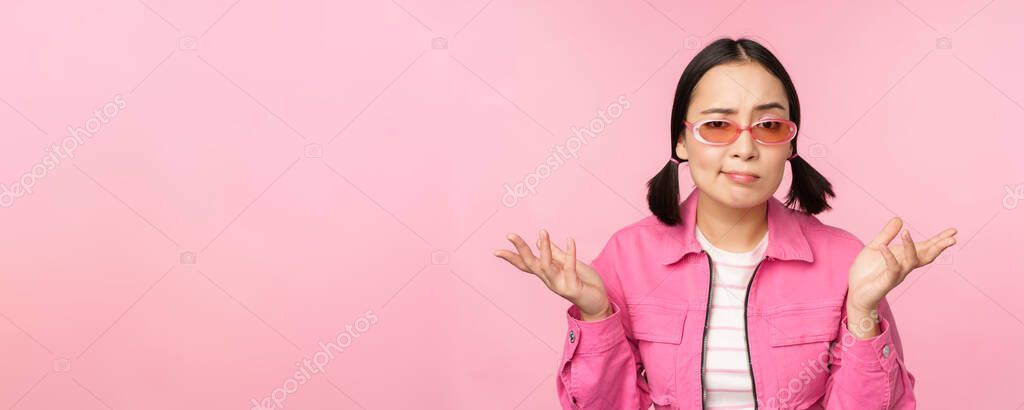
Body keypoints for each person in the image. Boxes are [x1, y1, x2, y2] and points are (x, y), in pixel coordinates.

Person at [494, 37, 956, 409]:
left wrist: (863, 313)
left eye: (769, 126)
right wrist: (597, 317)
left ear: (789, 144)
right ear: (681, 140)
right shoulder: (627, 257)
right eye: (718, 125)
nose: (745, 148)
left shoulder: (844, 261)